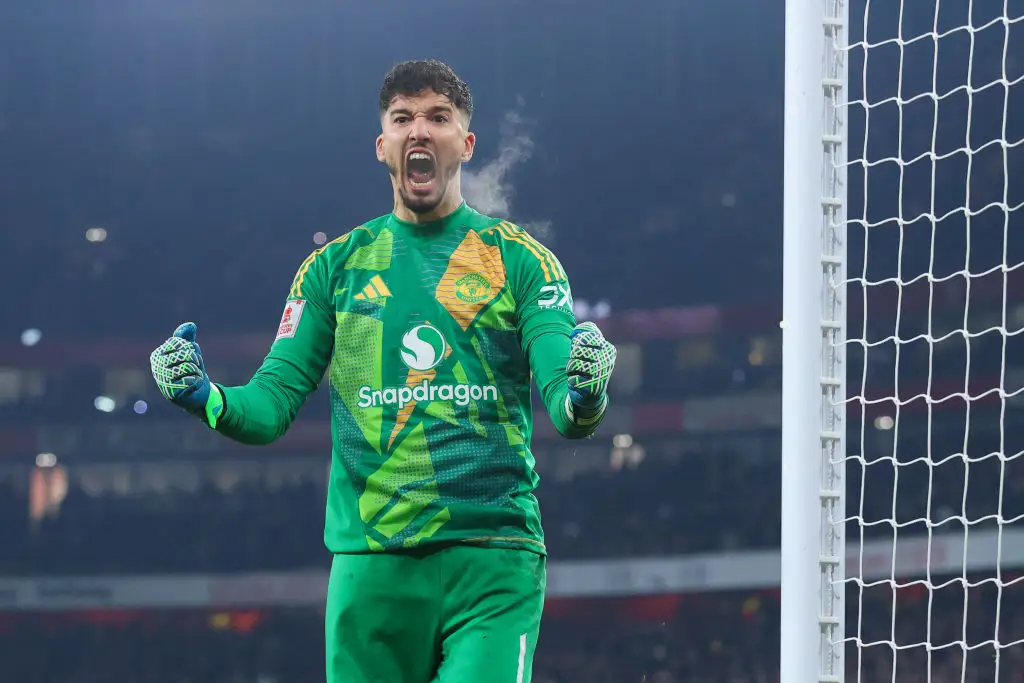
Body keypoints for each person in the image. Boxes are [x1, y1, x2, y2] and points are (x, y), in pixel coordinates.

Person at [149, 59, 617, 683]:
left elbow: (566, 399)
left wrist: (585, 392)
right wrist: (203, 396)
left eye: (437, 118)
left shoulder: (521, 260)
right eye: (402, 118)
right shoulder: (333, 268)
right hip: (371, 566)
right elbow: (269, 405)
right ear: (382, 146)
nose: (418, 130)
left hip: (492, 561)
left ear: (466, 144)